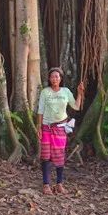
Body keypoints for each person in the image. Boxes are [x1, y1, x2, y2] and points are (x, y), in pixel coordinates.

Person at [36, 67, 85, 195]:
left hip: (60, 128)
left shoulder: (66, 91)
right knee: (45, 157)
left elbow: (76, 106)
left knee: (59, 157)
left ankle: (59, 184)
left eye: (57, 76)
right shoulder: (45, 92)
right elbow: (40, 111)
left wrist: (79, 93)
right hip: (46, 127)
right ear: (49, 79)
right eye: (52, 77)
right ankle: (46, 185)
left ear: (61, 78)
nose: (54, 79)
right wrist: (38, 127)